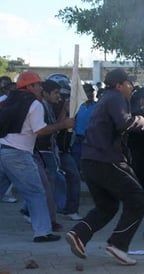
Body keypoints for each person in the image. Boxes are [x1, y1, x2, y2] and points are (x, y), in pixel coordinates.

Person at [65, 68, 144, 265]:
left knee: (107, 206)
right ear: (119, 85)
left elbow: (119, 122)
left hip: (90, 161)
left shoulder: (106, 99)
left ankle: (79, 234)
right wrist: (142, 122)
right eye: (129, 84)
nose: (131, 87)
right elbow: (124, 122)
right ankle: (118, 245)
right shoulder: (116, 97)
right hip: (107, 161)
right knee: (137, 200)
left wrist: (140, 120)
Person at [0, 71, 74, 242]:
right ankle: (42, 232)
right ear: (29, 86)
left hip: (2, 150)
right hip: (19, 154)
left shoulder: (5, 100)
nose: (41, 87)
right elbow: (40, 131)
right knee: (36, 192)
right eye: (38, 84)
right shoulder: (35, 104)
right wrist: (63, 124)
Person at [37, 79, 83, 221]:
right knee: (50, 183)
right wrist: (64, 118)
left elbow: (57, 127)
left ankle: (68, 210)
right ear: (45, 93)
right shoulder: (40, 107)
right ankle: (39, 213)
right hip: (46, 151)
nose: (60, 96)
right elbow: (47, 129)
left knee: (68, 179)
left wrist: (65, 111)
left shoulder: (52, 106)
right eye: (57, 93)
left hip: (60, 150)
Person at [71, 83, 97, 170]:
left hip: (91, 139)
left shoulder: (97, 107)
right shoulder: (76, 106)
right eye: (87, 92)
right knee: (76, 163)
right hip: (77, 139)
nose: (90, 94)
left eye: (91, 92)